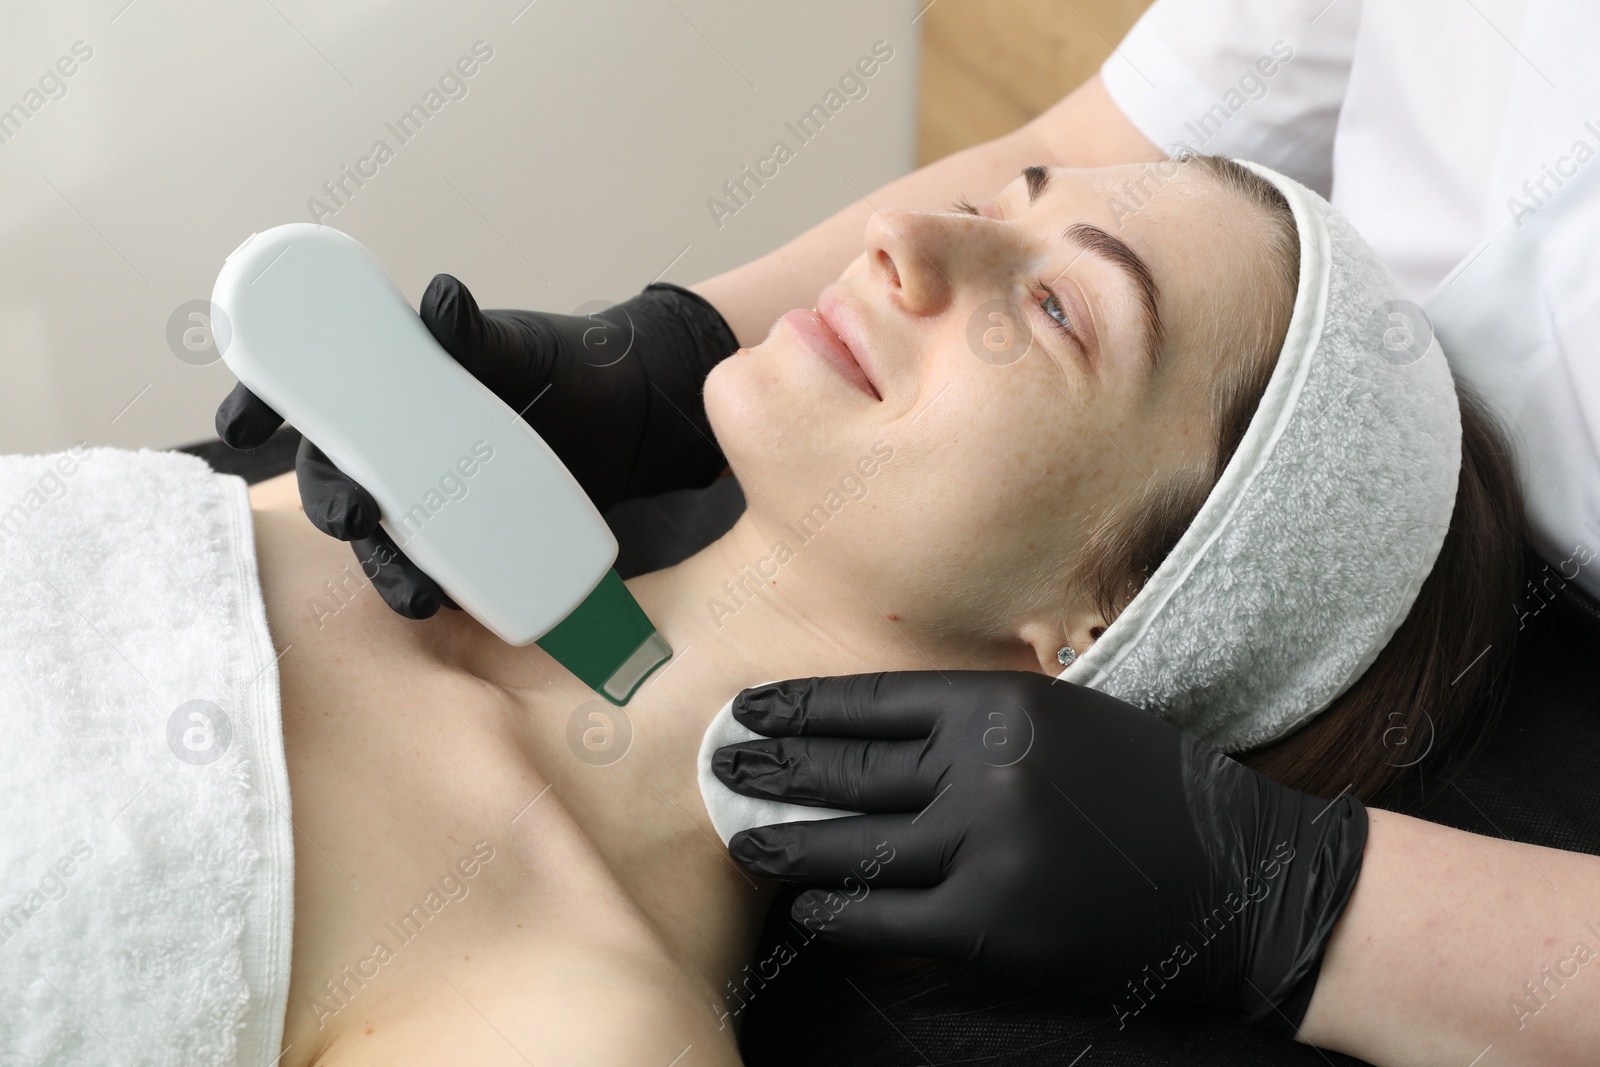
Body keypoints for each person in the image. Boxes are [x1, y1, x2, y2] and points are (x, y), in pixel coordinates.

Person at [220, 7, 1600, 1067]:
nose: (896, 235)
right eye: (997, 217)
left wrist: (1306, 906)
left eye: (1059, 315)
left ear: (1101, 624)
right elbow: (1128, 137)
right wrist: (669, 346)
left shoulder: (568, 1013)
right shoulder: (320, 522)